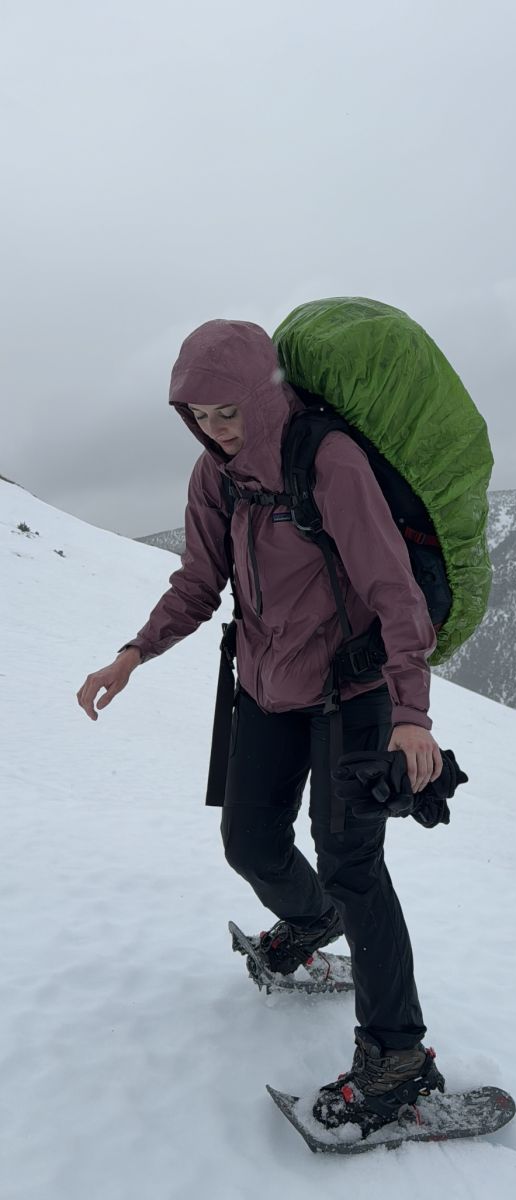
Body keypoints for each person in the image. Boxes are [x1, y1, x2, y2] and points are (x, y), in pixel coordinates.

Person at [76, 319, 452, 1134]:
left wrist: (412, 714)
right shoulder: (215, 479)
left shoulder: (329, 461)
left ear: (262, 391)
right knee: (249, 842)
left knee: (354, 866)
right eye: (199, 416)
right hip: (268, 688)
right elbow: (198, 580)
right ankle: (311, 920)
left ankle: (397, 1058)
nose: (215, 429)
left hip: (354, 696)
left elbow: (395, 592)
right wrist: (134, 652)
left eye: (228, 412)